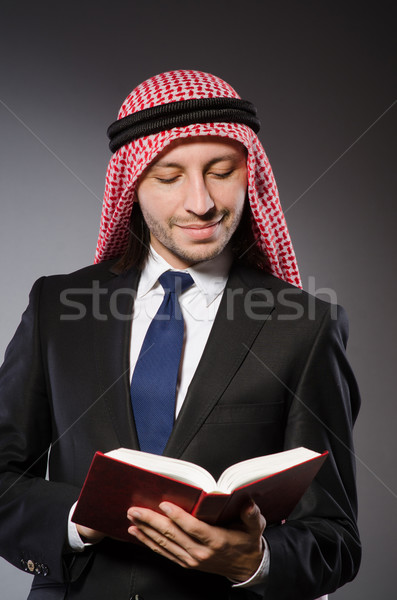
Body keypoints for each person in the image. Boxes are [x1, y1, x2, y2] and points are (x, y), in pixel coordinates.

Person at [0, 70, 361, 600]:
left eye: (221, 172)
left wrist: (255, 561)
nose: (201, 203)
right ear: (131, 184)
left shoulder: (305, 328)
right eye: (169, 177)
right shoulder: (57, 308)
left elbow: (335, 540)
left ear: (250, 174)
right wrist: (80, 519)